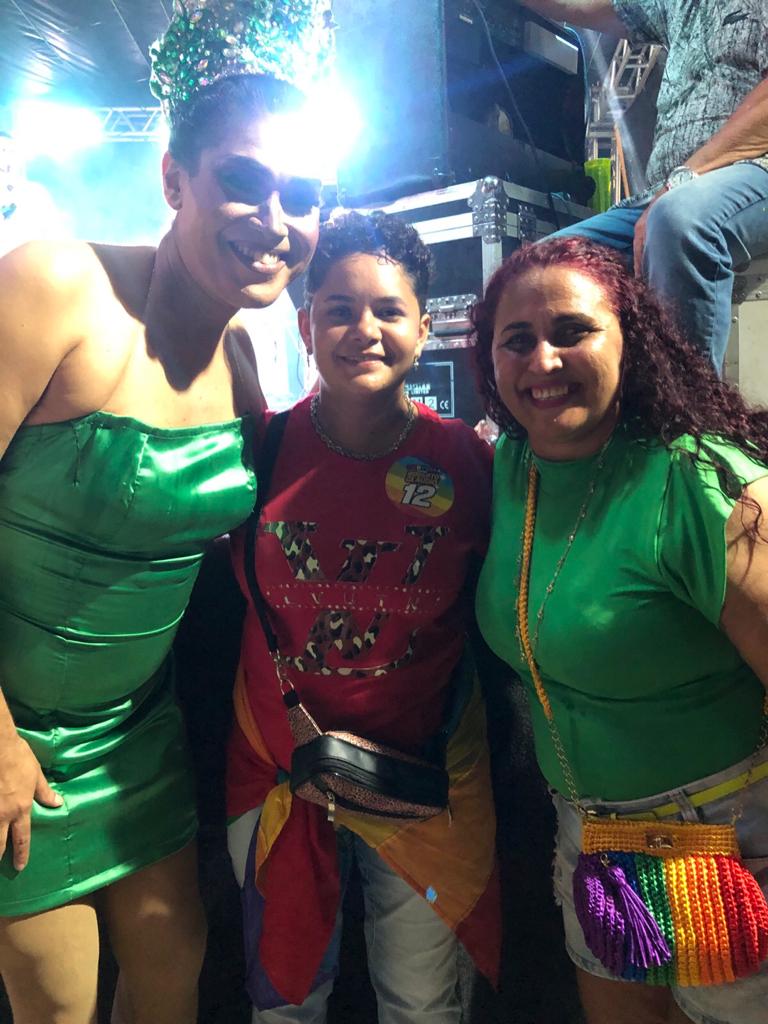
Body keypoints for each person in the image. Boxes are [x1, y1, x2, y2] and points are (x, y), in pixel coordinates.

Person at [0, 1, 332, 1020]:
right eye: (243, 180)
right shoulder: (54, 284)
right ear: (173, 180)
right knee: (56, 999)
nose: (276, 219)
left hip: (139, 737)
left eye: (303, 195)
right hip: (13, 735)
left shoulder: (246, 364)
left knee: (174, 970)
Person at [473, 234, 768, 1024]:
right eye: (517, 340)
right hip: (590, 834)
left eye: (573, 331)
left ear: (630, 340)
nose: (543, 360)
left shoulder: (700, 482)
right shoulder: (512, 467)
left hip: (724, 838)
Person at [226, 210, 501, 1022]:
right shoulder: (256, 450)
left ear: (425, 327)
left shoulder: (469, 463)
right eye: (339, 310)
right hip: (278, 773)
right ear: (306, 325)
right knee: (284, 999)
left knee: (423, 1005)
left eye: (388, 310)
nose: (364, 330)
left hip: (425, 782)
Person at [520, 0, 768, 371]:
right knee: (541, 270)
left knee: (679, 219)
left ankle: (688, 406)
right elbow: (581, 6)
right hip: (673, 191)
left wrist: (686, 176)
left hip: (752, 169)